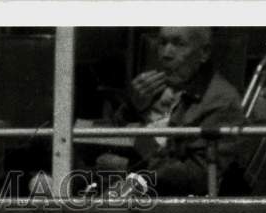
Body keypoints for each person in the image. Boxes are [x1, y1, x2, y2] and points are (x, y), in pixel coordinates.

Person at [104, 27, 245, 195]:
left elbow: (198, 177)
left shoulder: (221, 100)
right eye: (162, 43)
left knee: (94, 208)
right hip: (144, 185)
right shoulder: (166, 89)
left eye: (179, 44)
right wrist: (132, 107)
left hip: (179, 208)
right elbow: (116, 135)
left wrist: (137, 158)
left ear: (204, 53)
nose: (166, 54)